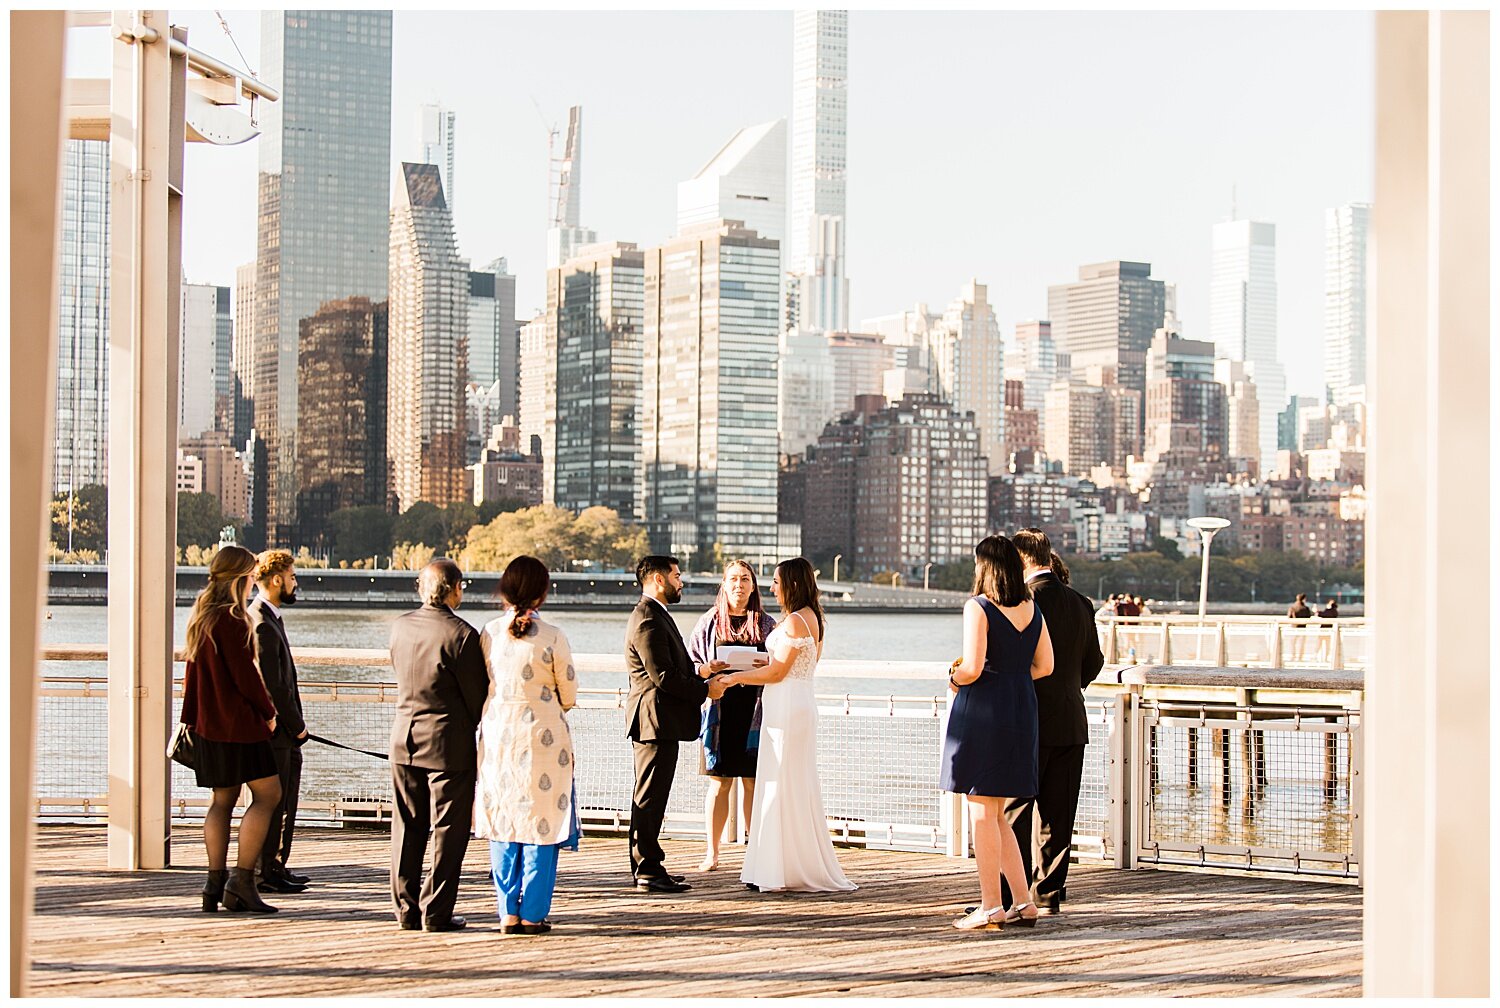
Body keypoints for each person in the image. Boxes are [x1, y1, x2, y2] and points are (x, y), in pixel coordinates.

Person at [718, 557, 856, 894]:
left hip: (786, 705)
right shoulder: (814, 619)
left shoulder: (794, 621)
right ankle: (787, 863)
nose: (772, 588)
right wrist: (763, 662)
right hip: (798, 701)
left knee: (779, 781)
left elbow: (778, 673)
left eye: (777, 582)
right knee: (792, 781)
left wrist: (736, 677)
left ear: (792, 584)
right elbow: (795, 665)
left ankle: (776, 869)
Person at [940, 536, 1054, 930]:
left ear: (985, 567)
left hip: (985, 709)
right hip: (1021, 708)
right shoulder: (1031, 607)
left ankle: (990, 905)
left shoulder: (980, 606)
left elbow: (971, 666)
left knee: (981, 812)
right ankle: (1023, 901)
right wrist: (1012, 676)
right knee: (999, 812)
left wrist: (954, 678)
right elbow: (1046, 666)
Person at [474, 555, 580, 936]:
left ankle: (507, 913)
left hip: (499, 737)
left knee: (504, 820)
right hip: (544, 741)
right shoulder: (552, 636)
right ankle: (534, 913)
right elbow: (568, 693)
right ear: (542, 592)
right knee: (543, 825)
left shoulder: (488, 632)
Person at [1004, 528, 1105, 916]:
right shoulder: (1081, 602)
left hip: (1027, 720)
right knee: (1058, 815)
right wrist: (1069, 687)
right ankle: (1049, 892)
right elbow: (1093, 662)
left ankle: (1013, 893)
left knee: (1016, 810)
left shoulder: (1023, 602)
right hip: (1070, 718)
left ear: (1023, 559)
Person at [179, 544, 283, 915]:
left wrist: (190, 720)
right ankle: (241, 881)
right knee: (269, 795)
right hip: (240, 727)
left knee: (221, 802)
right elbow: (247, 679)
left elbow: (191, 679)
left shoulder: (201, 617)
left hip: (209, 727)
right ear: (241, 577)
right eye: (252, 575)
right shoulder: (234, 620)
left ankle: (213, 883)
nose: (254, 581)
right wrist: (269, 713)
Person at [388, 558, 489, 932]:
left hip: (404, 736)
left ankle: (405, 908)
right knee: (449, 829)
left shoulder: (400, 628)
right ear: (455, 589)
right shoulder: (462, 635)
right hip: (448, 743)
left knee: (407, 825)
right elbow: (476, 697)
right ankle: (437, 910)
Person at [624, 555, 726, 893]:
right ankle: (647, 869)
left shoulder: (655, 615)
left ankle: (650, 864)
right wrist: (704, 690)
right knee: (649, 797)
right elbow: (663, 677)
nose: (681, 582)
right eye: (676, 576)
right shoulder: (647, 619)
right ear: (657, 579)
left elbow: (671, 667)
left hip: (660, 720)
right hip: (653, 720)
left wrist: (700, 671)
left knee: (654, 795)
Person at [686, 560, 776, 871]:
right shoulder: (709, 622)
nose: (739, 585)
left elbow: (779, 665)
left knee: (752, 782)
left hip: (755, 712)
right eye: (733, 579)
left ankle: (756, 849)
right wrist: (709, 669)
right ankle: (712, 852)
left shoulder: (767, 624)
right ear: (724, 585)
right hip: (719, 712)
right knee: (719, 782)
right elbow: (693, 662)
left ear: (754, 586)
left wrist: (761, 667)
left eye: (745, 579)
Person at [249, 548, 310, 895]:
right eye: (292, 577)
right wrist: (296, 725)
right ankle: (266, 870)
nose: (295, 582)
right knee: (275, 803)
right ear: (276, 580)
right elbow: (273, 686)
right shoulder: (262, 624)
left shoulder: (268, 618)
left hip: (285, 732)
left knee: (285, 802)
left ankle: (275, 865)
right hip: (278, 733)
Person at [1287, 593, 1313, 662]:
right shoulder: (1306, 608)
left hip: (1294, 628)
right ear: (1304, 599)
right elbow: (1309, 617)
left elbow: (1289, 617)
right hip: (1303, 628)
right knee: (1301, 644)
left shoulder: (1292, 607)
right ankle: (1300, 657)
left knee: (1293, 643)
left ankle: (1293, 656)